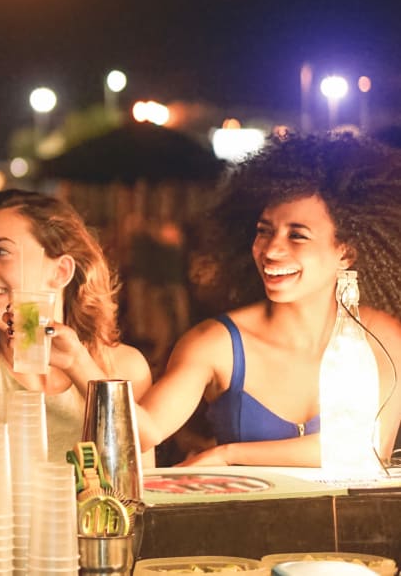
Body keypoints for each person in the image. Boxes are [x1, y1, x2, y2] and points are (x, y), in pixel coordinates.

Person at [131, 131, 401, 466]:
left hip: (354, 520)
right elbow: (145, 431)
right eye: (264, 230)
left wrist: (229, 455)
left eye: (297, 235)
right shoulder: (217, 344)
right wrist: (80, 364)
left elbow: (367, 451)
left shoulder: (385, 339)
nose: (271, 250)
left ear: (346, 253)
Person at [0, 190, 152, 462]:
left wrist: (78, 364)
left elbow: (140, 475)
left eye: (2, 252)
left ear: (61, 271)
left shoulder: (124, 367)